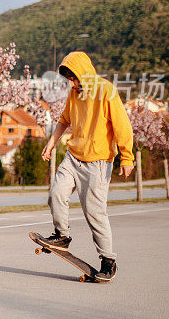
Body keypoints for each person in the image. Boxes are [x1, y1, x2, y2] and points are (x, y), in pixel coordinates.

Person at [38, 51, 134, 282]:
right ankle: (62, 236)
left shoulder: (106, 91)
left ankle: (108, 261)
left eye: (75, 78)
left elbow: (123, 126)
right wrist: (50, 145)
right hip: (73, 157)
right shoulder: (74, 93)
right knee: (56, 194)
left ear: (84, 73)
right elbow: (64, 120)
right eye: (69, 79)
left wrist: (127, 157)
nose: (72, 83)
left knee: (94, 213)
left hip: (98, 162)